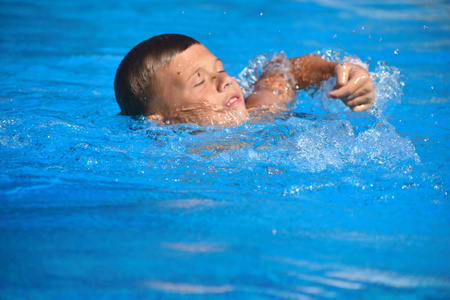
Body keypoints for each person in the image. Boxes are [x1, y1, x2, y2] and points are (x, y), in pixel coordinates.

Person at [114, 34, 374, 126]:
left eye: (221, 69)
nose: (224, 81)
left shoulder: (261, 113)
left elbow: (286, 70)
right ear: (158, 122)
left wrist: (340, 71)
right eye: (198, 81)